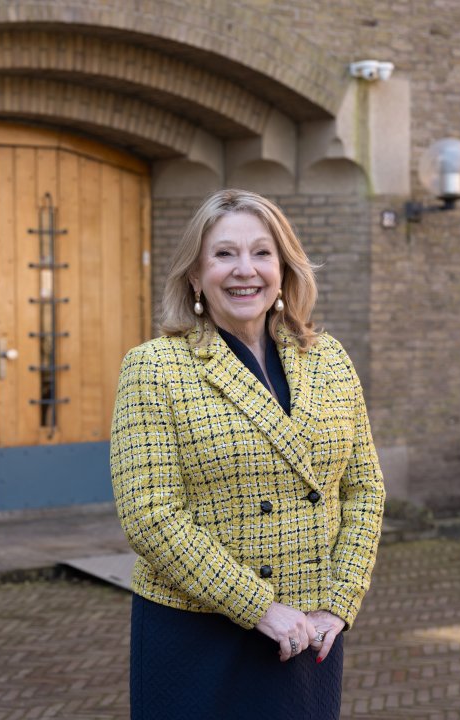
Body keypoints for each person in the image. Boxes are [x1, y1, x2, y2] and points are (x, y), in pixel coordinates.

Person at [110, 189, 385, 719]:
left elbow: (365, 489)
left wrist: (339, 602)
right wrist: (260, 607)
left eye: (262, 252)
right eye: (224, 254)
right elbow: (149, 514)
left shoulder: (327, 358)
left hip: (308, 632)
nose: (245, 270)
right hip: (199, 633)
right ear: (195, 275)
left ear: (283, 268)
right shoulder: (154, 368)